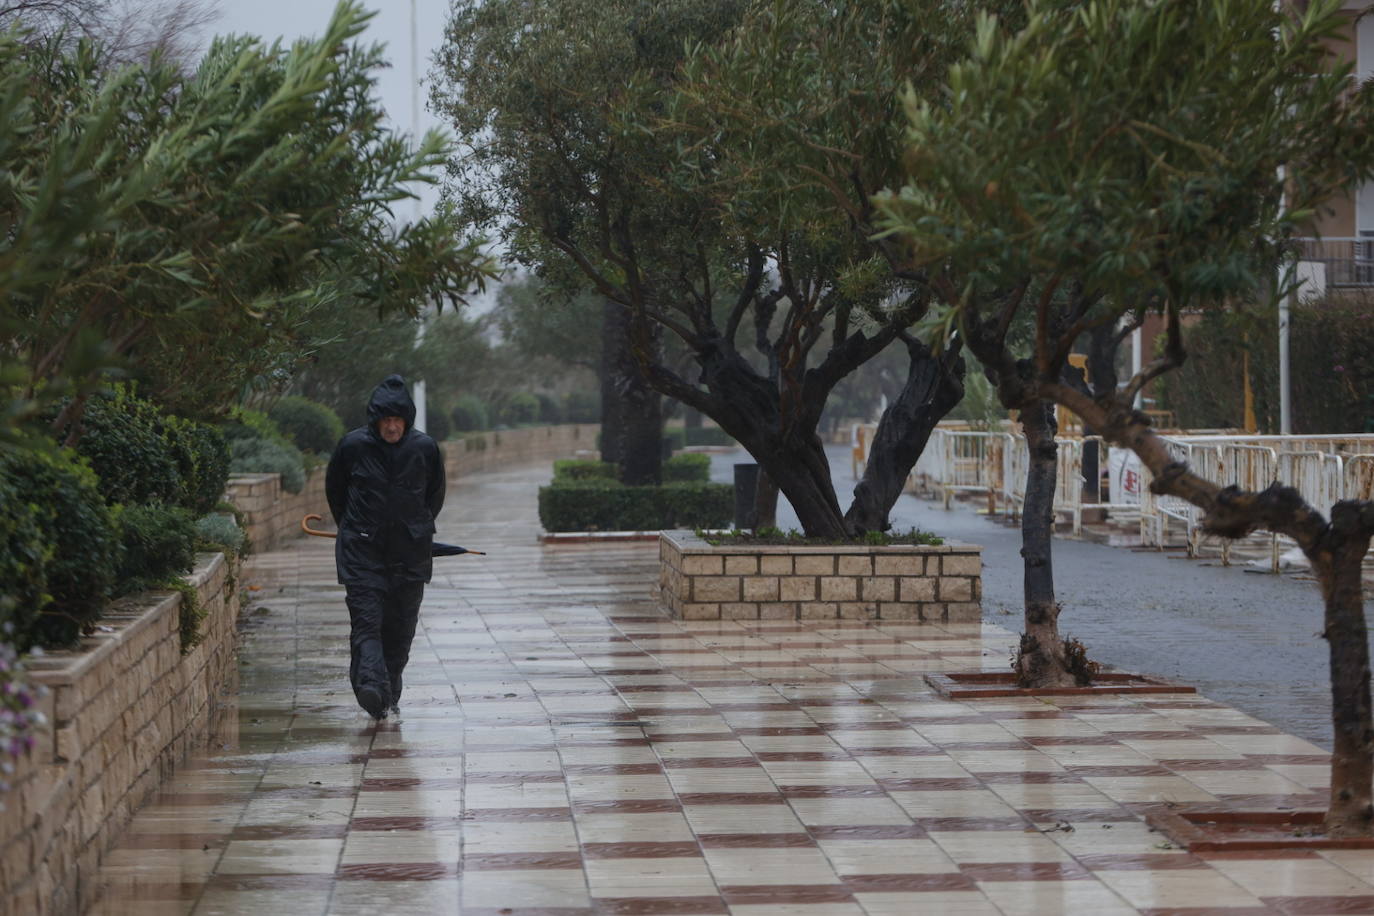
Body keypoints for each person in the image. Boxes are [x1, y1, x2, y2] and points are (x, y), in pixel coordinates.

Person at [325, 375, 446, 719]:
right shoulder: (352, 447)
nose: (392, 427)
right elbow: (336, 493)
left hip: (410, 554)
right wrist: (356, 528)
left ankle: (388, 689)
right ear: (375, 420)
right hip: (362, 552)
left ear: (406, 420)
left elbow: (434, 496)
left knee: (401, 627)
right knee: (367, 621)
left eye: (397, 420)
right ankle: (371, 687)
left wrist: (413, 528)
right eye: (386, 420)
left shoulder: (424, 448)